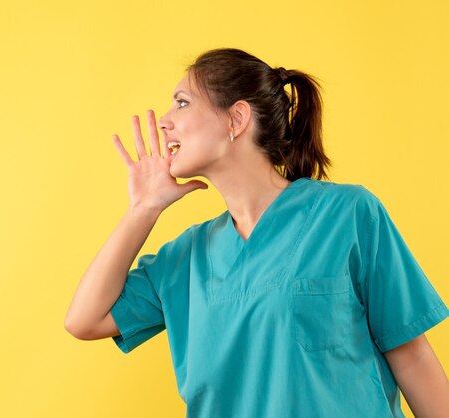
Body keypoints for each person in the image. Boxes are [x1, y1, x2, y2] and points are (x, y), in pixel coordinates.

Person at [64, 48, 449, 417]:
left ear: (236, 119)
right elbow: (84, 320)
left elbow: (412, 357)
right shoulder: (186, 258)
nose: (164, 121)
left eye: (181, 103)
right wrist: (142, 210)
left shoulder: (347, 215)